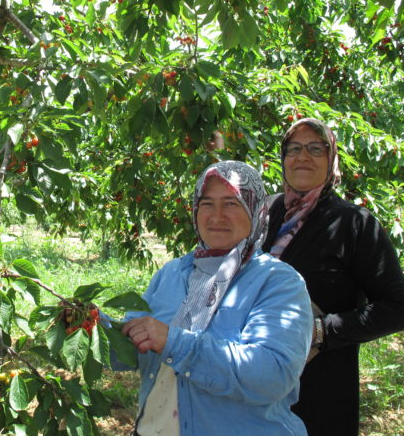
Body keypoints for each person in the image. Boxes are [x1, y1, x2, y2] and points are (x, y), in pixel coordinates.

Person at [122, 160, 313, 435]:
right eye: (207, 203)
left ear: (256, 210)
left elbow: (271, 375)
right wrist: (90, 326)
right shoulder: (173, 273)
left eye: (232, 203)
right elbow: (132, 343)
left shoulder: (278, 282)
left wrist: (174, 342)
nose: (217, 215)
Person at [262, 117, 404, 436]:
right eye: (294, 148)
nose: (303, 156)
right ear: (282, 158)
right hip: (255, 382)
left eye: (316, 148)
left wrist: (319, 332)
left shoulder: (354, 224)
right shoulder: (264, 215)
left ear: (331, 160)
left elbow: (397, 309)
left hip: (318, 391)